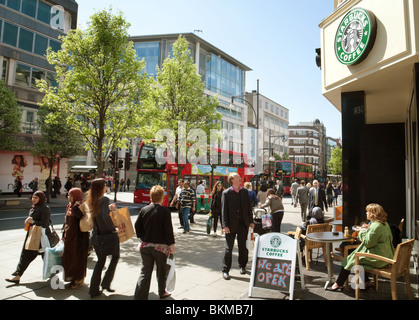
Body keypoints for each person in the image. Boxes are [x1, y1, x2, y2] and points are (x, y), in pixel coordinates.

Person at [327, 203, 395, 292]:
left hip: (379, 259)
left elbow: (368, 243)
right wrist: (369, 228)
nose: (366, 213)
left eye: (367, 212)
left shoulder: (376, 226)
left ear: (373, 214)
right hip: (386, 254)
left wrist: (361, 231)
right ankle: (366, 282)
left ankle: (338, 284)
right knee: (354, 256)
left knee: (350, 259)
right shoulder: (384, 224)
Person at [134, 185, 175, 300]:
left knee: (145, 271)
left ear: (151, 197)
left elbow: (137, 226)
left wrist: (142, 237)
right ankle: (162, 292)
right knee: (161, 271)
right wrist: (171, 245)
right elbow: (168, 230)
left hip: (145, 246)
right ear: (162, 197)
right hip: (160, 248)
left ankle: (139, 297)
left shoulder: (144, 210)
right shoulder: (165, 211)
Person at [6, 191, 51, 284]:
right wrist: (28, 222)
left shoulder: (45, 208)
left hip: (41, 238)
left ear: (41, 199)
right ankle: (17, 276)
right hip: (32, 235)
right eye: (33, 197)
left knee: (46, 257)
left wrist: (33, 221)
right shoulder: (33, 208)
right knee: (25, 255)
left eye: (36, 198)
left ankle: (54, 274)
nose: (33, 200)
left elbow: (45, 224)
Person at [87, 178, 120, 298]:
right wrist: (114, 228)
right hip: (107, 236)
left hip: (96, 237)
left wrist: (108, 208)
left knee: (100, 262)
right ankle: (105, 283)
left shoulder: (92, 200)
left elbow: (99, 215)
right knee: (115, 256)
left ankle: (94, 289)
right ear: (101, 187)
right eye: (105, 185)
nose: (106, 186)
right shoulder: (104, 199)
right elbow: (105, 217)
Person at [221, 172, 254, 280]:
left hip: (243, 224)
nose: (239, 178)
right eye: (237, 177)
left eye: (239, 177)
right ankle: (225, 270)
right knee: (228, 248)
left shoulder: (245, 192)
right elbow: (223, 211)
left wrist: (251, 221)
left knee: (243, 247)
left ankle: (242, 266)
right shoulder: (226, 193)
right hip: (230, 225)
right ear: (231, 180)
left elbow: (249, 208)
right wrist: (224, 226)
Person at [62, 188, 90, 289]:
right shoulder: (69, 206)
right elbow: (66, 221)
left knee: (78, 258)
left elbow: (79, 217)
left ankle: (78, 279)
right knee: (69, 258)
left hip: (79, 238)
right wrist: (63, 234)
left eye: (71, 195)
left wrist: (76, 206)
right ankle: (72, 278)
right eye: (68, 195)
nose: (68, 197)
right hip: (69, 237)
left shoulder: (81, 206)